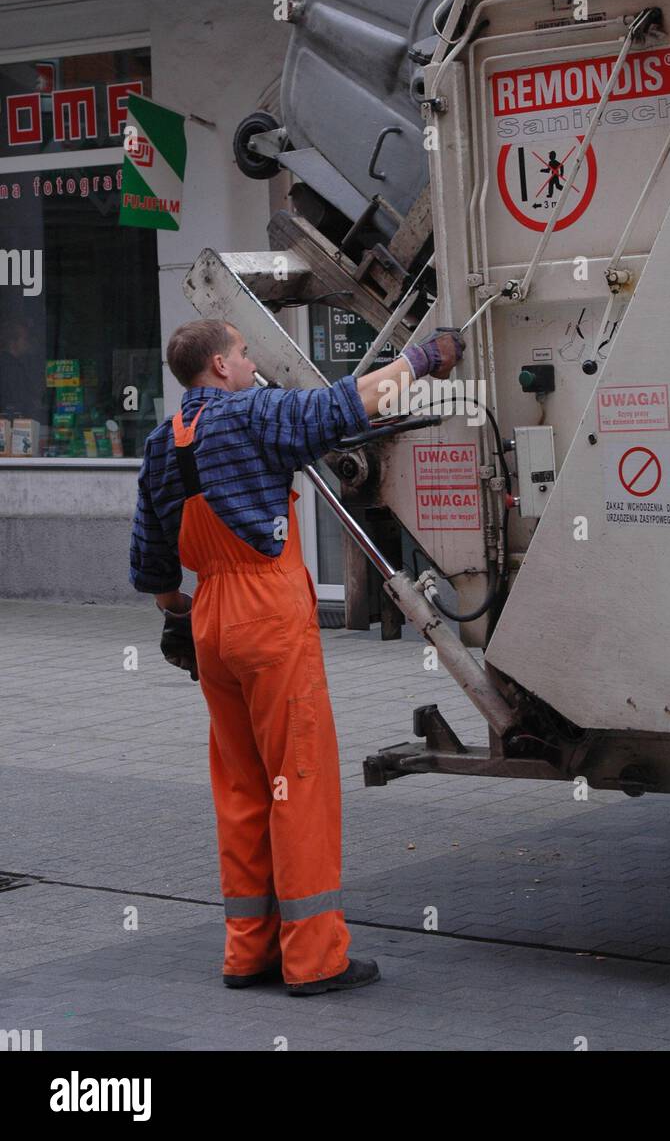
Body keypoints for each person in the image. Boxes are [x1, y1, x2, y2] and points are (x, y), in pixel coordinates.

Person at [129, 318, 464, 996]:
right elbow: (351, 403)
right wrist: (426, 357)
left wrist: (181, 617)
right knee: (299, 780)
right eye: (245, 353)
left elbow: (153, 566)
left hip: (212, 624)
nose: (253, 365)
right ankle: (314, 958)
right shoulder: (252, 414)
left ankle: (247, 952)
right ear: (219, 366)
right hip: (267, 617)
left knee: (243, 785)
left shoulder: (163, 444)